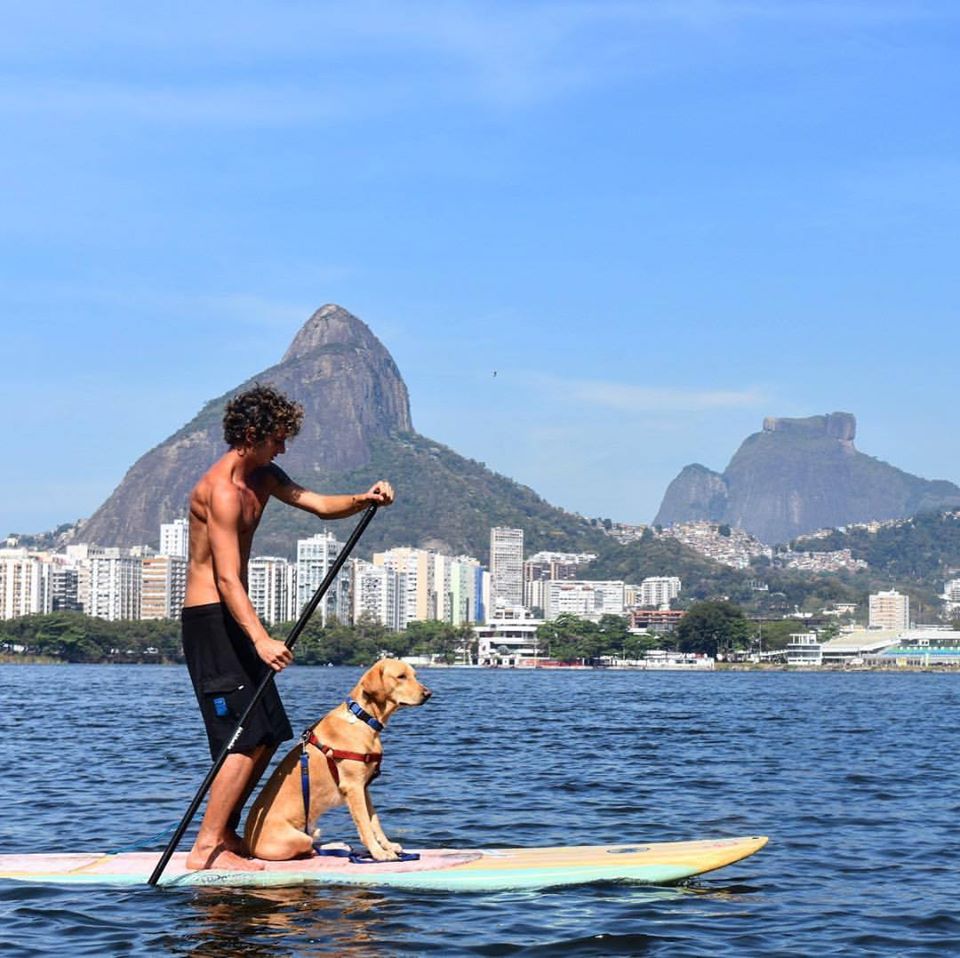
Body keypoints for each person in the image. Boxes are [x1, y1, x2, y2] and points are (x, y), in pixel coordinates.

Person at [181, 383, 394, 871]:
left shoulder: (265, 476)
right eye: (278, 437)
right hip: (213, 624)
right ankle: (205, 849)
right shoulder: (221, 492)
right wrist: (260, 638)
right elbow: (226, 577)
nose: (283, 447)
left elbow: (318, 503)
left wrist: (365, 499)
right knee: (242, 733)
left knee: (268, 732)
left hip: (236, 620)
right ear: (252, 434)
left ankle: (226, 835)